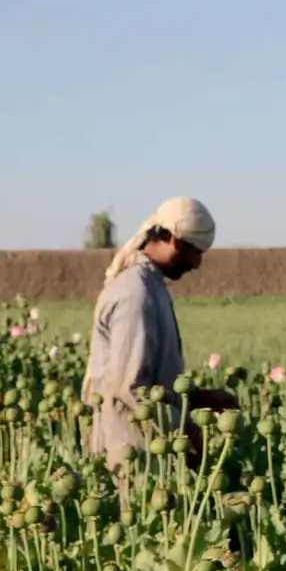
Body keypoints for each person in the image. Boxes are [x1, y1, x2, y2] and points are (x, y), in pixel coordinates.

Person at [80, 197, 237, 469]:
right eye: (196, 252)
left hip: (152, 453)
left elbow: (153, 383)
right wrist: (186, 428)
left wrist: (198, 398)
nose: (197, 264)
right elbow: (130, 389)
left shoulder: (151, 286)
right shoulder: (135, 294)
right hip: (130, 456)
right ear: (176, 242)